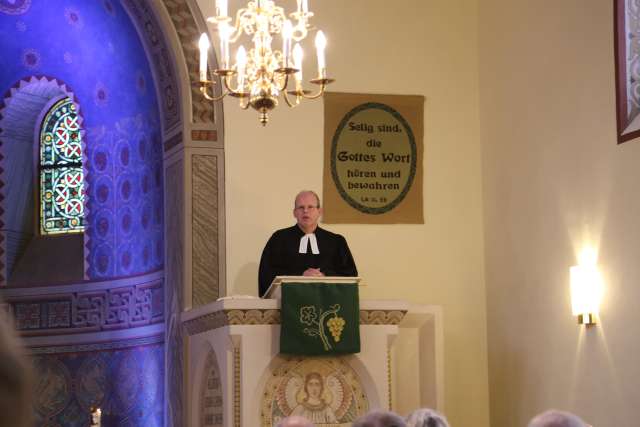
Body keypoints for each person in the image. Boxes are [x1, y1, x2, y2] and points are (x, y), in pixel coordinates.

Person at [258, 190, 358, 297]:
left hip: (328, 301)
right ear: (294, 213)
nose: (305, 211)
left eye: (310, 207)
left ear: (319, 211)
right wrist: (300, 275)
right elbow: (266, 274)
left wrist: (325, 275)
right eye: (301, 207)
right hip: (289, 302)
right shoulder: (279, 239)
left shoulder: (336, 241)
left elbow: (350, 275)